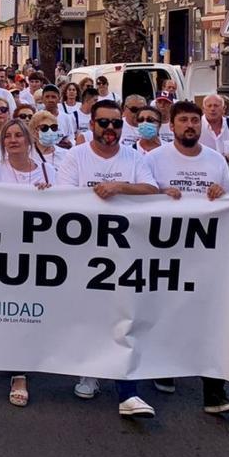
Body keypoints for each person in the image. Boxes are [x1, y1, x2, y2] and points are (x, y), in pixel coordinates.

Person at [56, 100, 159, 417]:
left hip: (125, 249)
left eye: (116, 123)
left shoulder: (134, 156)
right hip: (84, 250)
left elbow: (151, 188)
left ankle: (127, 390)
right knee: (89, 313)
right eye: (104, 123)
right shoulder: (76, 156)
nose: (111, 129)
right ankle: (89, 371)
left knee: (123, 315)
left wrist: (119, 187)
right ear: (92, 125)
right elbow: (64, 196)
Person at [143, 101, 229, 415]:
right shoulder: (154, 159)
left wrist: (220, 193)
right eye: (183, 120)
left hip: (206, 255)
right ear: (172, 127)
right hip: (164, 252)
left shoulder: (215, 161)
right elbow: (141, 195)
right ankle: (164, 366)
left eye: (194, 120)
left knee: (211, 319)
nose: (190, 125)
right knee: (167, 312)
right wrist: (159, 193)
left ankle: (214, 391)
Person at [200, 94, 229, 164]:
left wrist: (223, 159)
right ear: (203, 109)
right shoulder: (197, 126)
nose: (212, 109)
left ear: (223, 109)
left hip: (226, 172)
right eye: (209, 106)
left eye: (216, 106)